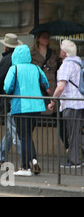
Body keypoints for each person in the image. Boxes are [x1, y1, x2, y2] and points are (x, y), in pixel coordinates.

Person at [4, 44, 49, 176]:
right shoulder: (36, 68)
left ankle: (25, 167)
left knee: (23, 136)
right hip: (36, 107)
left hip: (20, 107)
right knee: (27, 135)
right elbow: (45, 83)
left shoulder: (14, 69)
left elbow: (7, 87)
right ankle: (34, 160)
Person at [48, 40, 84, 168]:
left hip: (70, 103)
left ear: (63, 52)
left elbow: (61, 87)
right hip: (80, 102)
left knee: (72, 134)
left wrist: (53, 101)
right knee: (78, 132)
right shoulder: (79, 62)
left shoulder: (66, 65)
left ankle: (74, 162)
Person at [0, 34, 22, 166]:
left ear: (6, 46)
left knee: (14, 132)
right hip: (19, 99)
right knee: (11, 130)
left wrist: (2, 92)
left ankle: (27, 160)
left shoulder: (7, 60)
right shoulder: (19, 59)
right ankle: (0, 155)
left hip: (9, 99)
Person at [30, 31, 59, 96]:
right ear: (38, 39)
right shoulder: (32, 54)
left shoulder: (53, 54)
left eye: (48, 37)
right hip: (38, 87)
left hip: (52, 87)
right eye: (44, 37)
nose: (46, 39)